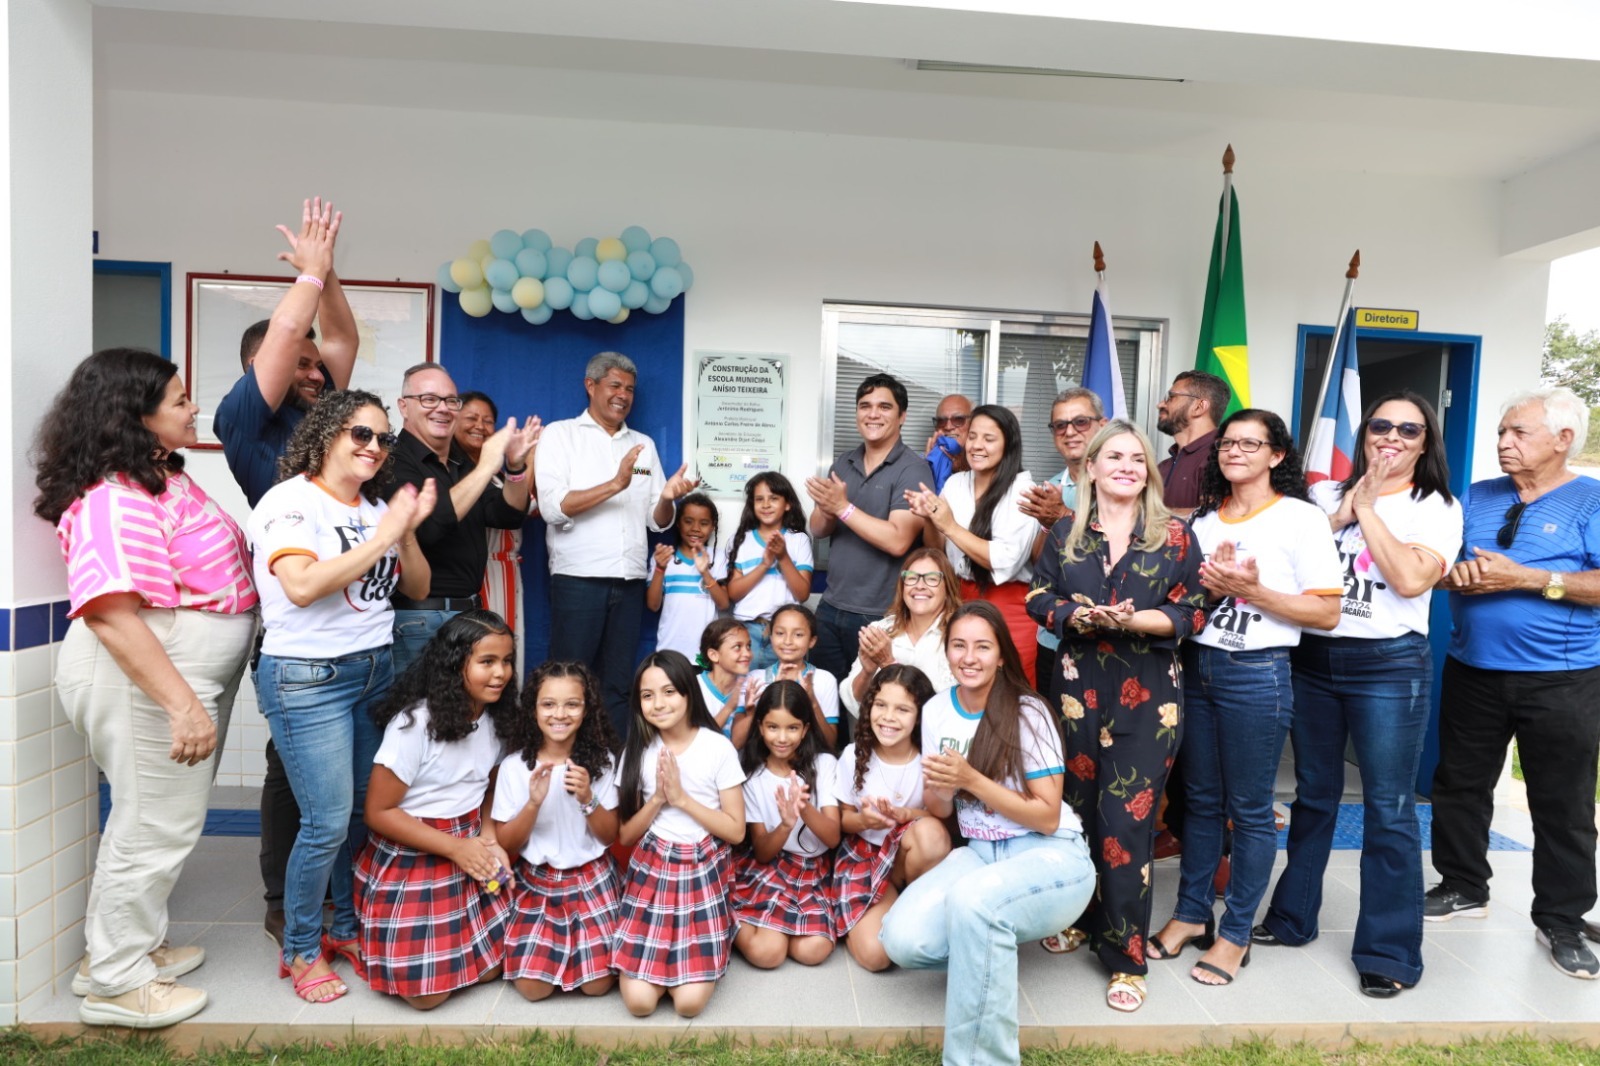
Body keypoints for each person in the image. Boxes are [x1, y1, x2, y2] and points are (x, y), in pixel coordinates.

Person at [38, 349, 259, 1028]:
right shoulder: (113, 497)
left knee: (158, 822)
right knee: (150, 828)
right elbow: (110, 612)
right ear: (135, 416)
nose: (193, 407)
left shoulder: (159, 481)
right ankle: (114, 981)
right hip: (149, 678)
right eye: (179, 399)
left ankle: (128, 949)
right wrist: (183, 705)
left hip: (177, 674)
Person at [1251, 392, 1462, 997]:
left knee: (1389, 806)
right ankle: (1293, 918)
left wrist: (1366, 509)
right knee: (1314, 794)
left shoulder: (1437, 507)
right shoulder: (1318, 497)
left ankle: (1389, 953)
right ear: (1365, 432)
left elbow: (1411, 578)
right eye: (1380, 425)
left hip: (1388, 665)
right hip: (1314, 660)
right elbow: (1285, 555)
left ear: (1426, 442)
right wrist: (1344, 508)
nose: (1391, 436)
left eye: (1408, 429)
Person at [247, 389, 435, 1004]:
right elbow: (300, 586)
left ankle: (348, 930)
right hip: (308, 678)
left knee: (357, 813)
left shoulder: (372, 506)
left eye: (384, 439)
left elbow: (418, 585)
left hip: (372, 671)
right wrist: (382, 537)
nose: (375, 448)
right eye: (361, 434)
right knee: (325, 821)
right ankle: (302, 948)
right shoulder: (291, 501)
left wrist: (402, 533)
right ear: (327, 434)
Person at [1148, 409, 1342, 989]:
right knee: (1200, 802)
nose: (1235, 451)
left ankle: (1234, 934)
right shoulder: (1205, 521)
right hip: (1197, 668)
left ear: (1276, 456)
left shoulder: (1301, 519)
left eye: (1250, 443)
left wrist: (1254, 590)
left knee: (1250, 809)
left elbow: (1327, 612)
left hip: (1257, 672)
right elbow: (1186, 598)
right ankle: (1189, 914)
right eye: (1228, 442)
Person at [1025, 419, 1210, 1012]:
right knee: (1075, 810)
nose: (1127, 465)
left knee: (1127, 822)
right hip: (1077, 690)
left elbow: (1195, 609)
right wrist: (1076, 618)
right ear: (1093, 468)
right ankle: (1079, 917)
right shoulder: (1065, 533)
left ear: (1148, 471)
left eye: (1138, 457)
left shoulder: (1175, 536)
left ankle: (1125, 956)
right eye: (1115, 457)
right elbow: (1037, 596)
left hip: (1149, 694)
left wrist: (1133, 621)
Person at [212, 198, 356, 948]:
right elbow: (296, 338)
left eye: (314, 367)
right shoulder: (243, 424)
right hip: (297, 623)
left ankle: (338, 897)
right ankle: (280, 898)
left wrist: (327, 275)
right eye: (295, 363)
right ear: (257, 369)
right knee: (289, 770)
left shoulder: (325, 417)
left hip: (353, 623)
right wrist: (305, 274)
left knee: (339, 782)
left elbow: (339, 336)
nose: (312, 371)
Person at [1430, 386, 1600, 980]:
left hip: (1563, 679)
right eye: (1501, 432)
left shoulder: (1591, 501)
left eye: (1518, 433)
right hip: (1473, 669)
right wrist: (1459, 578)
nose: (1502, 443)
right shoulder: (1477, 496)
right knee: (1457, 784)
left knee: (1562, 800)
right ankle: (1461, 885)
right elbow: (1438, 568)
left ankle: (1562, 918)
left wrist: (1528, 579)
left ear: (1562, 440)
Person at [879, 602, 1095, 1066]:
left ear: (1001, 654)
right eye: (959, 645)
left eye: (982, 646)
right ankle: (990, 956)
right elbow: (941, 807)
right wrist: (941, 788)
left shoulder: (1028, 711)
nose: (969, 656)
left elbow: (1047, 817)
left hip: (1051, 856)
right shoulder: (937, 710)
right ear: (947, 651)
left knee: (975, 903)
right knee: (901, 939)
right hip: (981, 851)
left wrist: (971, 778)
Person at [355, 610, 517, 1009]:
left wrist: (488, 836)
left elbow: (490, 786)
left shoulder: (496, 718)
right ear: (454, 663)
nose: (500, 673)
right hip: (415, 849)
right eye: (487, 662)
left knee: (507, 961)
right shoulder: (415, 724)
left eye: (507, 661)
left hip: (468, 842)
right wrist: (454, 848)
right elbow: (379, 812)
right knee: (427, 997)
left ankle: (458, 951)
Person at [536, 352, 700, 738]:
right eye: (614, 386)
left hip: (628, 582)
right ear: (590, 386)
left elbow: (656, 521)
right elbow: (552, 507)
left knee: (617, 683)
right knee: (568, 680)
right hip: (578, 580)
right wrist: (616, 483)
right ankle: (561, 765)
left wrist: (667, 499)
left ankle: (612, 766)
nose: (623, 395)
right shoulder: (561, 435)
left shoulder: (642, 445)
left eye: (629, 389)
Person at [613, 651, 747, 1018]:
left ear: (689, 693)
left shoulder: (716, 747)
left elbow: (735, 831)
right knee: (640, 1003)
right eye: (647, 695)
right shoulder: (637, 751)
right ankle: (662, 963)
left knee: (688, 1005)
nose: (659, 703)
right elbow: (625, 835)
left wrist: (682, 799)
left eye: (669, 691)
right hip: (654, 872)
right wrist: (658, 798)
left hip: (702, 871)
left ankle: (701, 950)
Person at [389, 365, 539, 675]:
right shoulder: (393, 460)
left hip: (465, 614)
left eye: (450, 401)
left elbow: (506, 515)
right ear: (404, 406)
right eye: (429, 399)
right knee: (416, 718)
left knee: (456, 719)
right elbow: (427, 529)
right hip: (419, 618)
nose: (442, 408)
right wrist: (487, 466)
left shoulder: (458, 465)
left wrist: (514, 466)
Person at [492, 660, 622, 1002]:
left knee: (596, 987)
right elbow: (507, 843)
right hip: (538, 882)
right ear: (533, 709)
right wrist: (532, 804)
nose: (559, 714)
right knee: (533, 989)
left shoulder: (603, 762)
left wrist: (587, 798)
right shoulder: (515, 767)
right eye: (548, 704)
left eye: (572, 704)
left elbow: (609, 837)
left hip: (591, 877)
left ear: (587, 710)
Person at [807, 374, 935, 680]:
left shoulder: (914, 469)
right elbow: (819, 529)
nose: (873, 414)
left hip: (880, 614)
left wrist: (843, 507)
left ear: (902, 416)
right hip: (830, 605)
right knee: (828, 704)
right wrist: (828, 508)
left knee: (875, 706)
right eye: (864, 406)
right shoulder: (843, 463)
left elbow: (898, 541)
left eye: (884, 407)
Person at [907, 403, 1041, 678]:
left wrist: (950, 525)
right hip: (959, 600)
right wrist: (931, 518)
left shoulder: (1025, 491)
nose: (977, 445)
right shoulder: (956, 484)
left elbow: (1004, 560)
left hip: (1010, 607)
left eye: (989, 439)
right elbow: (936, 549)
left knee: (1011, 690)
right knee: (961, 683)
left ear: (1008, 445)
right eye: (972, 436)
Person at [832, 664, 951, 972]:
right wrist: (864, 821)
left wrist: (905, 815)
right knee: (876, 957)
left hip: (905, 862)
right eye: (880, 705)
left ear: (919, 716)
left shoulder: (930, 760)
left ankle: (914, 908)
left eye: (902, 709)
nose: (887, 717)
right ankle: (876, 912)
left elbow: (942, 820)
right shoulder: (854, 754)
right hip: (864, 857)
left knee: (931, 833)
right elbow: (843, 821)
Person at [731, 681, 842, 968]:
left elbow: (832, 838)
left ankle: (779, 926)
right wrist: (785, 824)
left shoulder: (824, 764)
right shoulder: (753, 776)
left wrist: (803, 809)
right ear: (759, 726)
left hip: (813, 870)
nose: (782, 738)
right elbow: (763, 853)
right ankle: (727, 914)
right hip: (773, 866)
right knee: (768, 955)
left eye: (792, 728)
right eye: (772, 727)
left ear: (805, 729)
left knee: (814, 950)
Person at [1019, 388, 1107, 702]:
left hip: (1106, 642)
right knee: (1053, 740)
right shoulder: (1050, 487)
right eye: (1060, 425)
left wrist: (1062, 516)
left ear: (1103, 424)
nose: (1069, 431)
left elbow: (1116, 555)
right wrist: (1048, 523)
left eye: (1080, 422)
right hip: (1053, 640)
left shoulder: (1123, 482)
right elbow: (1041, 567)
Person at [454, 391, 539, 672]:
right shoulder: (455, 470)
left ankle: (501, 715)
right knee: (482, 648)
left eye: (488, 421)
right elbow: (501, 513)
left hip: (507, 572)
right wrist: (531, 462)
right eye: (472, 418)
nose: (480, 425)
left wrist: (526, 462)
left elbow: (528, 508)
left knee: (507, 649)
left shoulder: (500, 474)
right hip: (478, 572)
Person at [840, 547, 960, 718]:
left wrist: (888, 663)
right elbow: (855, 702)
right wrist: (867, 672)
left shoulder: (960, 637)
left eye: (932, 579)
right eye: (911, 578)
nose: (920, 586)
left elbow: (941, 709)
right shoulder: (881, 629)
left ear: (947, 587)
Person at [725, 472, 813, 671]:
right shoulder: (739, 540)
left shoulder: (798, 540)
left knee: (782, 691)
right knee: (746, 691)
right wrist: (764, 565)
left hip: (785, 632)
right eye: (759, 499)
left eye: (774, 498)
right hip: (746, 630)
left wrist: (782, 557)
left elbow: (802, 593)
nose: (766, 504)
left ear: (787, 504)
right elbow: (733, 594)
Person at [646, 491, 729, 660]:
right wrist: (660, 569)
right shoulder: (664, 557)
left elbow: (723, 604)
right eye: (688, 521)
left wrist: (705, 572)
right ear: (678, 523)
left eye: (704, 523)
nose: (695, 529)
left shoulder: (717, 558)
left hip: (706, 652)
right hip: (670, 651)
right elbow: (653, 605)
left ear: (712, 526)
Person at [749, 603, 841, 751]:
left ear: (812, 641)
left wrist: (812, 701)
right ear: (771, 637)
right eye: (780, 633)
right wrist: (773, 694)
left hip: (809, 762)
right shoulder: (756, 679)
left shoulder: (823, 680)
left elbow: (829, 743)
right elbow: (749, 741)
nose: (788, 641)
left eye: (798, 635)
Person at [1155, 370, 1230, 517]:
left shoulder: (1225, 459)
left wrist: (1151, 516)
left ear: (1199, 407)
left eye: (1171, 397)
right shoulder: (1162, 467)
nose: (1160, 405)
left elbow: (1218, 517)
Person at [696, 618, 759, 745]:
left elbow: (736, 745)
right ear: (714, 655)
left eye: (748, 646)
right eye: (737, 647)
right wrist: (729, 707)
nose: (747, 653)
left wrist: (750, 714)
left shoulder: (750, 687)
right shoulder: (695, 687)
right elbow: (696, 742)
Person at [924, 393, 975, 491]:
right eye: (941, 421)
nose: (948, 427)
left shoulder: (983, 460)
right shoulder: (926, 460)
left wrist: (963, 467)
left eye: (958, 419)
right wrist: (928, 467)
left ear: (972, 423)